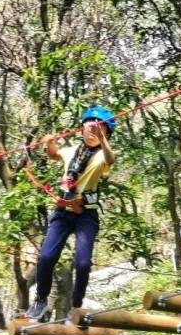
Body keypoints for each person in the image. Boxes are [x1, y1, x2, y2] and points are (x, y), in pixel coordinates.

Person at [27, 106, 116, 321]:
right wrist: (50, 142)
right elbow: (53, 154)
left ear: (106, 133)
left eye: (98, 128)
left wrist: (103, 138)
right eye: (89, 127)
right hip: (63, 212)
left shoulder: (101, 156)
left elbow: (110, 159)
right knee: (46, 257)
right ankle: (41, 300)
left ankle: (75, 307)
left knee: (83, 264)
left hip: (86, 215)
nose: (92, 131)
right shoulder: (72, 150)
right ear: (81, 128)